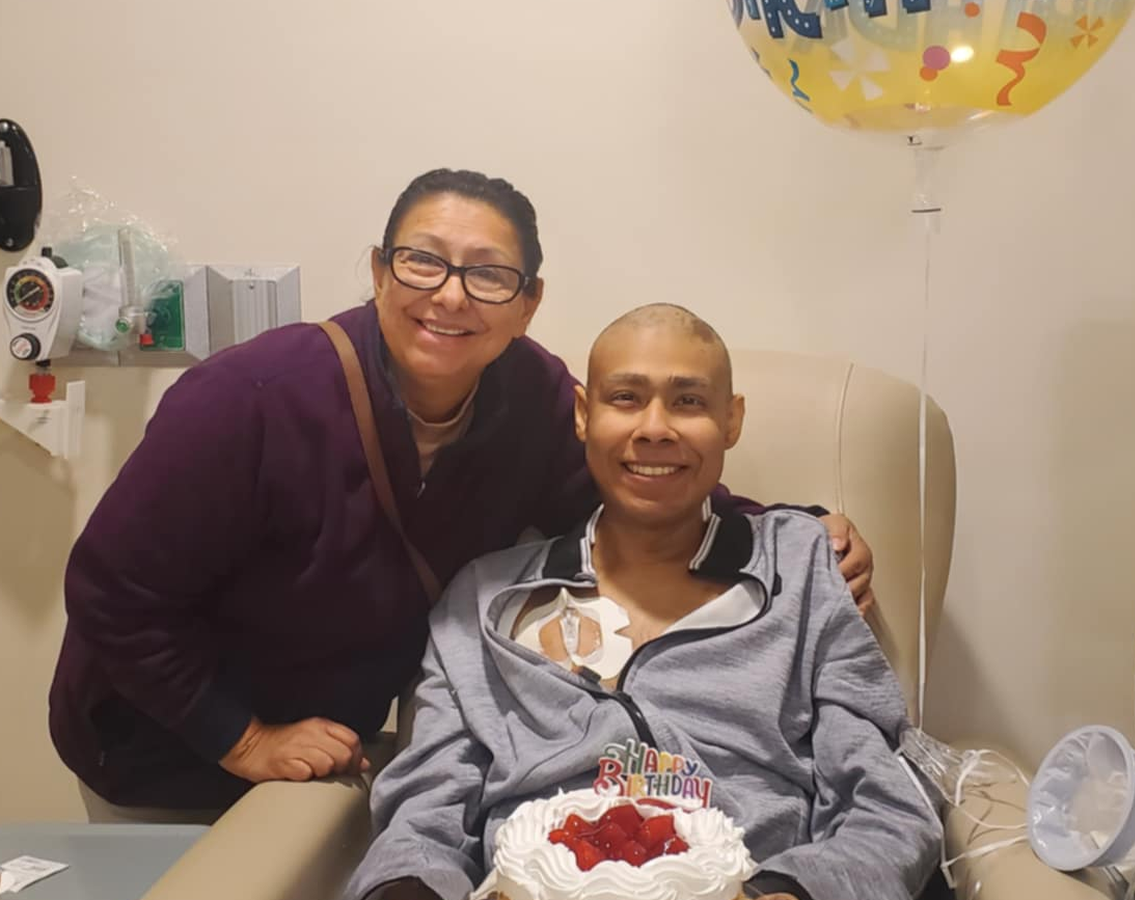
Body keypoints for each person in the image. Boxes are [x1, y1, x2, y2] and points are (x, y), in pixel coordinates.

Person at [48, 169, 875, 821]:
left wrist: (791, 532)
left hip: (335, 749)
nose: (450, 295)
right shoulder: (249, 398)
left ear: (528, 303)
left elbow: (624, 489)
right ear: (380, 272)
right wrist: (242, 738)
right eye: (424, 261)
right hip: (165, 743)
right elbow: (110, 590)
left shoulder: (531, 396)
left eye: (488, 274)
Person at [344, 304, 940, 900]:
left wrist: (791, 892)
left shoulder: (802, 571)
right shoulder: (485, 600)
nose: (655, 428)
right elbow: (423, 811)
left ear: (731, 420)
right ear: (583, 415)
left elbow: (887, 804)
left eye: (688, 401)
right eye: (626, 398)